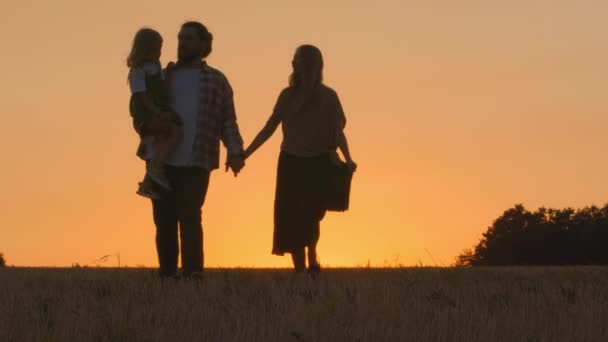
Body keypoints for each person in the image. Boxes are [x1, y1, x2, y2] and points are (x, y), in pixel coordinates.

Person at [244, 45, 357, 275]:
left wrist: (348, 158)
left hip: (317, 164)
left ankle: (312, 254)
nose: (292, 62)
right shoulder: (287, 96)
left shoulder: (328, 96)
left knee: (311, 216)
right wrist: (245, 154)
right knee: (290, 217)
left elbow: (337, 131)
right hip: (290, 163)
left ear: (311, 63)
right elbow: (269, 128)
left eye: (296, 58)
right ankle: (300, 270)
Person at [147, 21, 245, 279]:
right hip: (161, 160)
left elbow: (227, 120)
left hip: (196, 159)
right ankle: (167, 276)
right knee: (163, 222)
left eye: (189, 38)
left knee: (190, 218)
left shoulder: (216, 80)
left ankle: (193, 276)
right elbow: (144, 107)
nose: (183, 43)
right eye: (180, 38)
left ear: (204, 44)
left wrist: (235, 150)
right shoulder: (164, 75)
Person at [127, 28, 183, 199]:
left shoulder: (156, 67)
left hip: (158, 110)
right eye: (155, 49)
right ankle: (155, 168)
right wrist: (157, 112)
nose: (159, 53)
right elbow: (142, 97)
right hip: (146, 115)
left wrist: (170, 74)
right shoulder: (137, 71)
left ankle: (148, 183)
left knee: (159, 143)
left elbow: (162, 90)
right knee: (175, 131)